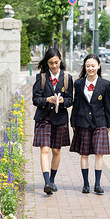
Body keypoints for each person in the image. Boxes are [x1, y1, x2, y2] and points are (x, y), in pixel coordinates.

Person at [32, 47, 73, 195]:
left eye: (56, 62)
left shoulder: (67, 78)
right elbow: (35, 99)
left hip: (60, 118)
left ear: (60, 61)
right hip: (44, 117)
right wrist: (46, 100)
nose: (54, 66)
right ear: (47, 63)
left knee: (56, 150)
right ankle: (47, 182)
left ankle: (53, 179)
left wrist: (63, 101)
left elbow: (70, 100)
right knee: (44, 149)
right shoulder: (41, 77)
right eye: (51, 63)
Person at [70, 54, 110, 195]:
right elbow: (76, 104)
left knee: (99, 153)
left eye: (93, 65)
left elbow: (108, 106)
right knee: (84, 154)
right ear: (85, 67)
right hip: (82, 122)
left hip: (100, 122)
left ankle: (98, 184)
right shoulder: (79, 83)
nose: (90, 68)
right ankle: (86, 184)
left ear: (98, 66)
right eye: (88, 66)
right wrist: (73, 122)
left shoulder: (105, 84)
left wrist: (108, 125)